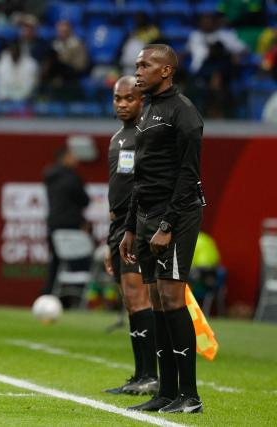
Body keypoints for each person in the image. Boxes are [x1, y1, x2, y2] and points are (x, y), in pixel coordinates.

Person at [120, 44, 205, 413]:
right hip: (146, 216)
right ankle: (166, 392)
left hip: (177, 214)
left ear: (166, 70)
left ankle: (189, 395)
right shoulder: (148, 111)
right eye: (137, 64)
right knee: (156, 301)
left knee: (172, 298)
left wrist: (167, 225)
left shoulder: (183, 113)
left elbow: (189, 175)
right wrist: (129, 227)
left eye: (145, 65)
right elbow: (141, 178)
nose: (138, 70)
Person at [103, 76, 158, 396]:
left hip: (137, 226)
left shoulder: (147, 136)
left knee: (139, 299)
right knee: (130, 302)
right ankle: (140, 374)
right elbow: (117, 192)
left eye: (129, 98)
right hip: (117, 228)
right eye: (117, 98)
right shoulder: (116, 138)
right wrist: (108, 237)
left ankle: (150, 374)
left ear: (142, 101)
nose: (122, 104)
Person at [41, 146, 90, 301]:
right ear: (65, 157)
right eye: (72, 156)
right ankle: (74, 299)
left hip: (53, 226)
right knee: (80, 263)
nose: (75, 159)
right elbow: (84, 200)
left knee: (56, 263)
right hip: (72, 226)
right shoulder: (72, 178)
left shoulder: (50, 176)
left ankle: (48, 296)